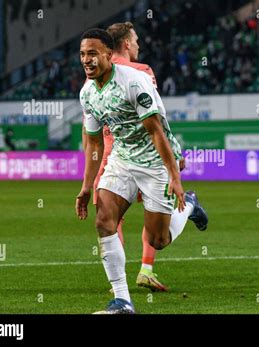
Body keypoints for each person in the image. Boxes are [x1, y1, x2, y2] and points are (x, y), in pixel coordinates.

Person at [76, 28, 208, 314]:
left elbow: (156, 131)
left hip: (155, 162)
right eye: (83, 54)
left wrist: (175, 176)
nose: (87, 60)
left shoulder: (133, 82)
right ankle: (123, 301)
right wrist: (87, 186)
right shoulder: (87, 93)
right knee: (104, 220)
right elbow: (95, 142)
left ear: (109, 55)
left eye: (93, 54)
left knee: (158, 240)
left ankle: (189, 207)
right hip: (122, 159)